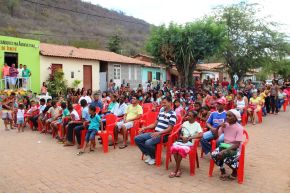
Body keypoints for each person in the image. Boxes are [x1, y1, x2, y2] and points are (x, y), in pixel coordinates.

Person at [135, 96, 177, 165]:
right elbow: (154, 124)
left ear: (170, 103)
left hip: (164, 135)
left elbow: (170, 129)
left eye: (165, 103)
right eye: (162, 103)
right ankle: (149, 154)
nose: (163, 104)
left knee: (148, 142)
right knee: (137, 138)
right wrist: (144, 128)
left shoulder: (173, 114)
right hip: (155, 133)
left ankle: (154, 157)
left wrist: (159, 133)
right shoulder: (161, 111)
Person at [211, 109, 244, 181]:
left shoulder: (239, 128)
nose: (227, 117)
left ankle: (235, 171)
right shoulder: (225, 125)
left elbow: (237, 144)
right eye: (226, 115)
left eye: (229, 116)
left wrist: (224, 151)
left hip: (235, 148)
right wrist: (218, 127)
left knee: (226, 158)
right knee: (214, 155)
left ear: (235, 118)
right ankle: (223, 171)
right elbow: (216, 137)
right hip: (225, 146)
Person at [169, 111, 203, 178]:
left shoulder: (197, 125)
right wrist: (182, 137)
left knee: (180, 149)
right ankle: (178, 169)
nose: (187, 117)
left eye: (190, 116)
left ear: (194, 117)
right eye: (188, 115)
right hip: (182, 141)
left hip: (190, 143)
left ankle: (176, 170)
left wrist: (189, 138)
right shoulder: (185, 123)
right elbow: (180, 133)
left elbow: (201, 134)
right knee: (174, 148)